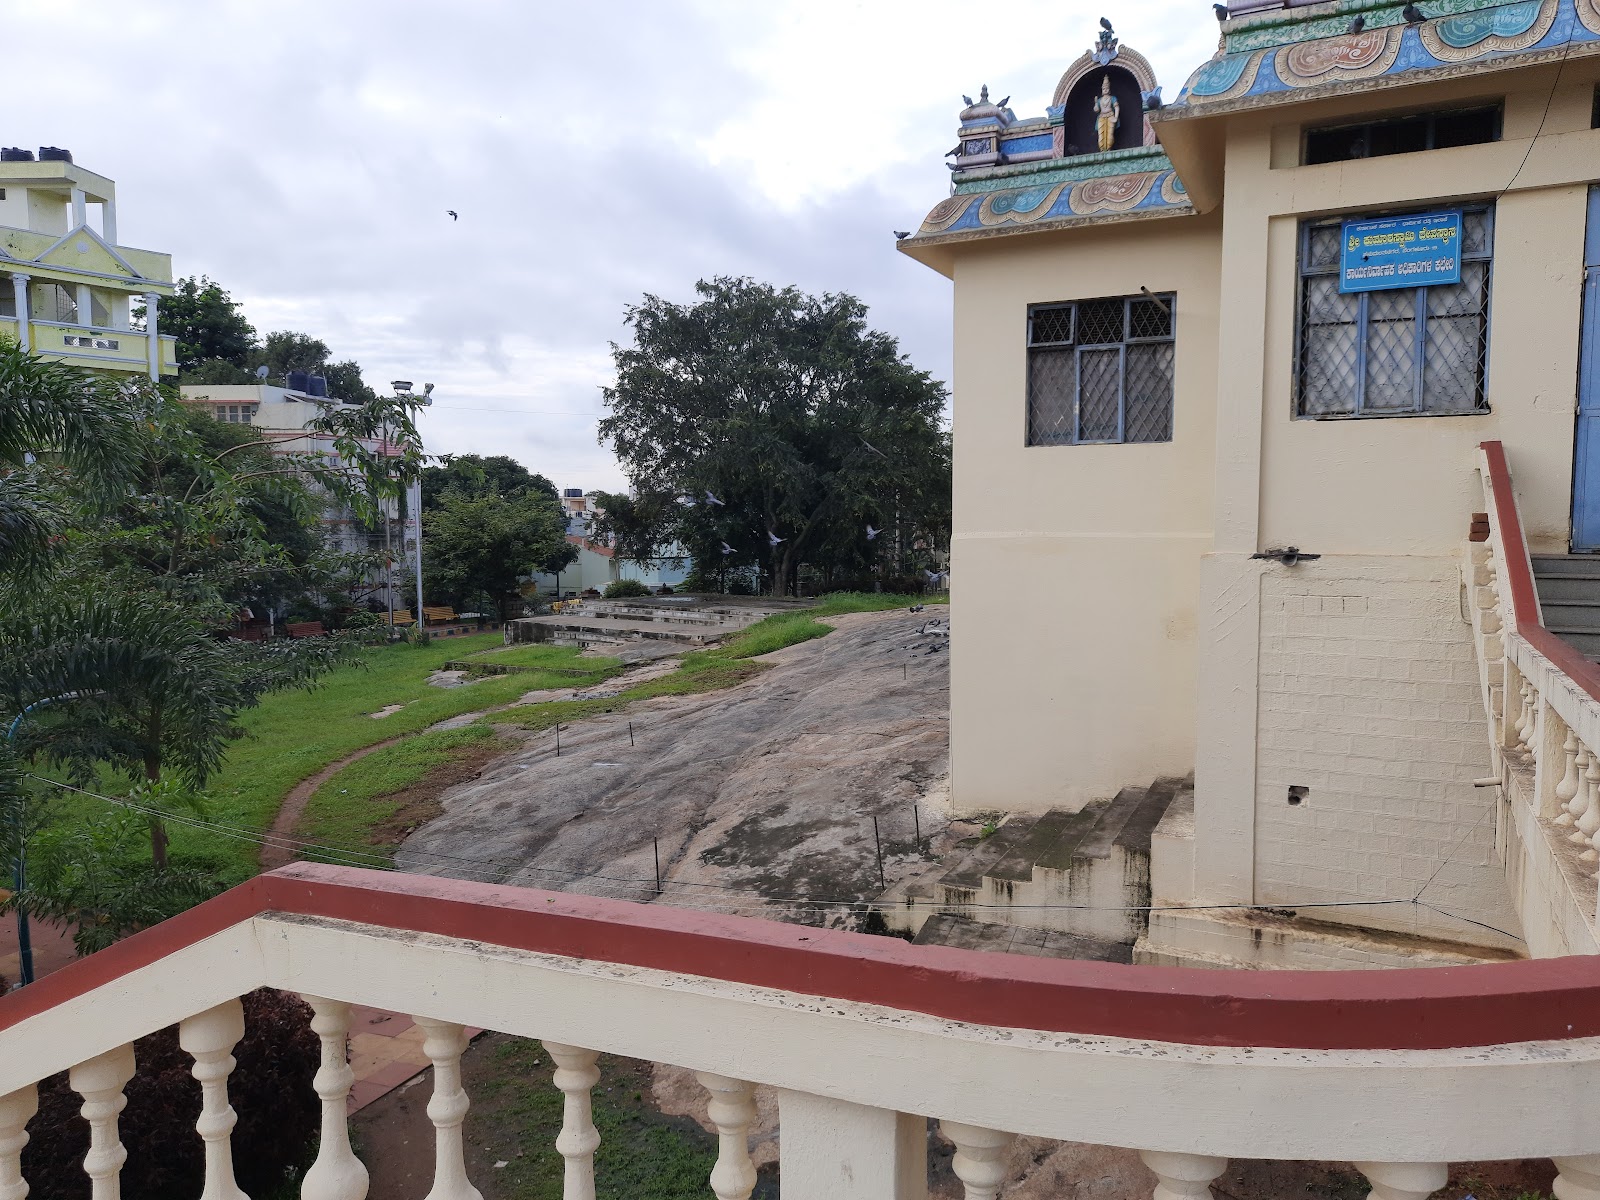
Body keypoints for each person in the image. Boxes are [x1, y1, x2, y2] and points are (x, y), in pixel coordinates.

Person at [1094, 75, 1121, 153]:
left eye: (1107, 88)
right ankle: (1102, 149)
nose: (1105, 90)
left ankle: (1108, 148)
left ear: (1109, 89)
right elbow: (1096, 110)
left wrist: (1116, 117)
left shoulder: (1112, 98)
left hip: (1110, 116)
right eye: (1103, 89)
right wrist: (1096, 102)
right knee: (1101, 135)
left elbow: (1116, 107)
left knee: (1110, 134)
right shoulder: (1099, 100)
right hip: (1101, 117)